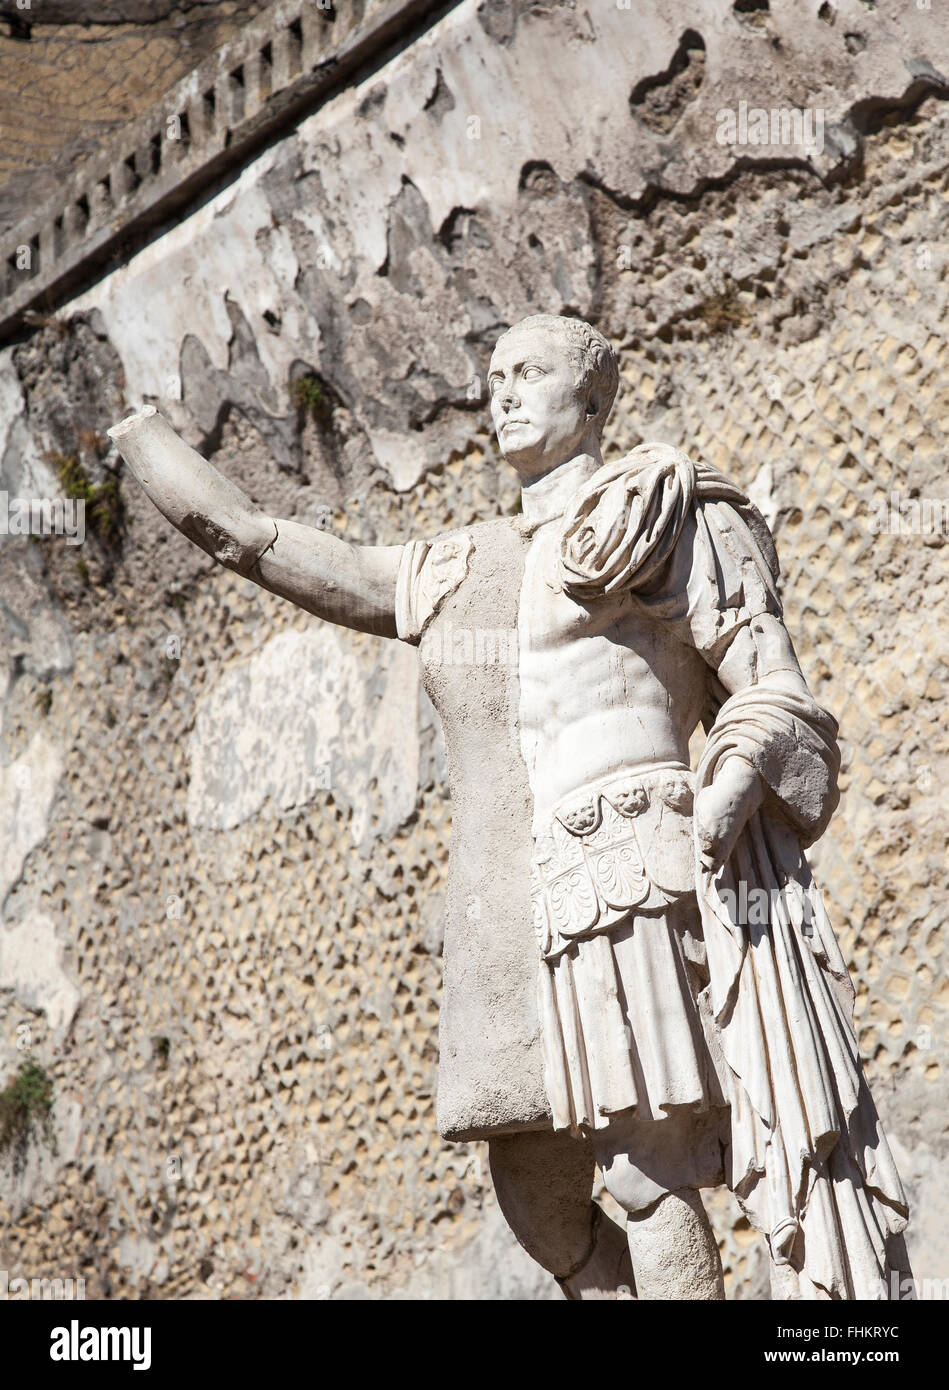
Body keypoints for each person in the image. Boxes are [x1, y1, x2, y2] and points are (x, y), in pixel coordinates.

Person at [109, 314, 909, 1299]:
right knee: (534, 1189)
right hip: (511, 912)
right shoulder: (454, 564)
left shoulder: (660, 511)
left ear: (594, 400)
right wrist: (137, 434)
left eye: (531, 372)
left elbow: (773, 687)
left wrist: (736, 770)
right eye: (494, 375)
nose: (506, 392)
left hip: (633, 869)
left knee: (647, 1171)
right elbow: (257, 540)